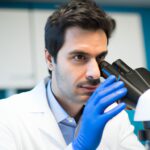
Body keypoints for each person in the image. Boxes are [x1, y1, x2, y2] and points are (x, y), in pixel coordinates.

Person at [0, 0, 145, 149]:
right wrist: (79, 147)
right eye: (79, 57)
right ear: (50, 59)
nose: (95, 73)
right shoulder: (6, 116)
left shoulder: (113, 115)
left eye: (100, 58)